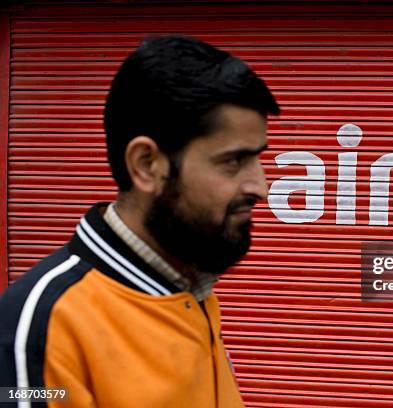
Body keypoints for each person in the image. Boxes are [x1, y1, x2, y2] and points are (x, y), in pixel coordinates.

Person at [0, 35, 280, 407]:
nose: (261, 187)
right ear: (147, 164)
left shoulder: (188, 286)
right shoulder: (43, 328)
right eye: (233, 161)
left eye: (258, 158)